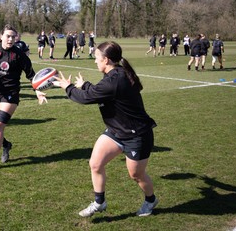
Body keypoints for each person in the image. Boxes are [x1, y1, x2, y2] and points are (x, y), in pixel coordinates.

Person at [54, 41, 158, 217]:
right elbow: (98, 91)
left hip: (137, 135)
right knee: (95, 164)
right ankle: (99, 202)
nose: (95, 61)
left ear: (107, 60)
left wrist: (68, 87)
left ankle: (150, 200)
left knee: (136, 175)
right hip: (116, 131)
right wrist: (85, 85)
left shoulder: (115, 80)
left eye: (96, 58)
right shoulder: (114, 74)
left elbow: (86, 98)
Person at [0, 24, 47, 172]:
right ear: (1, 37)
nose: (11, 39)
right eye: (8, 36)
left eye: (13, 36)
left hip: (10, 94)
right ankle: (5, 144)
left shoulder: (19, 55)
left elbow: (31, 75)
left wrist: (38, 90)